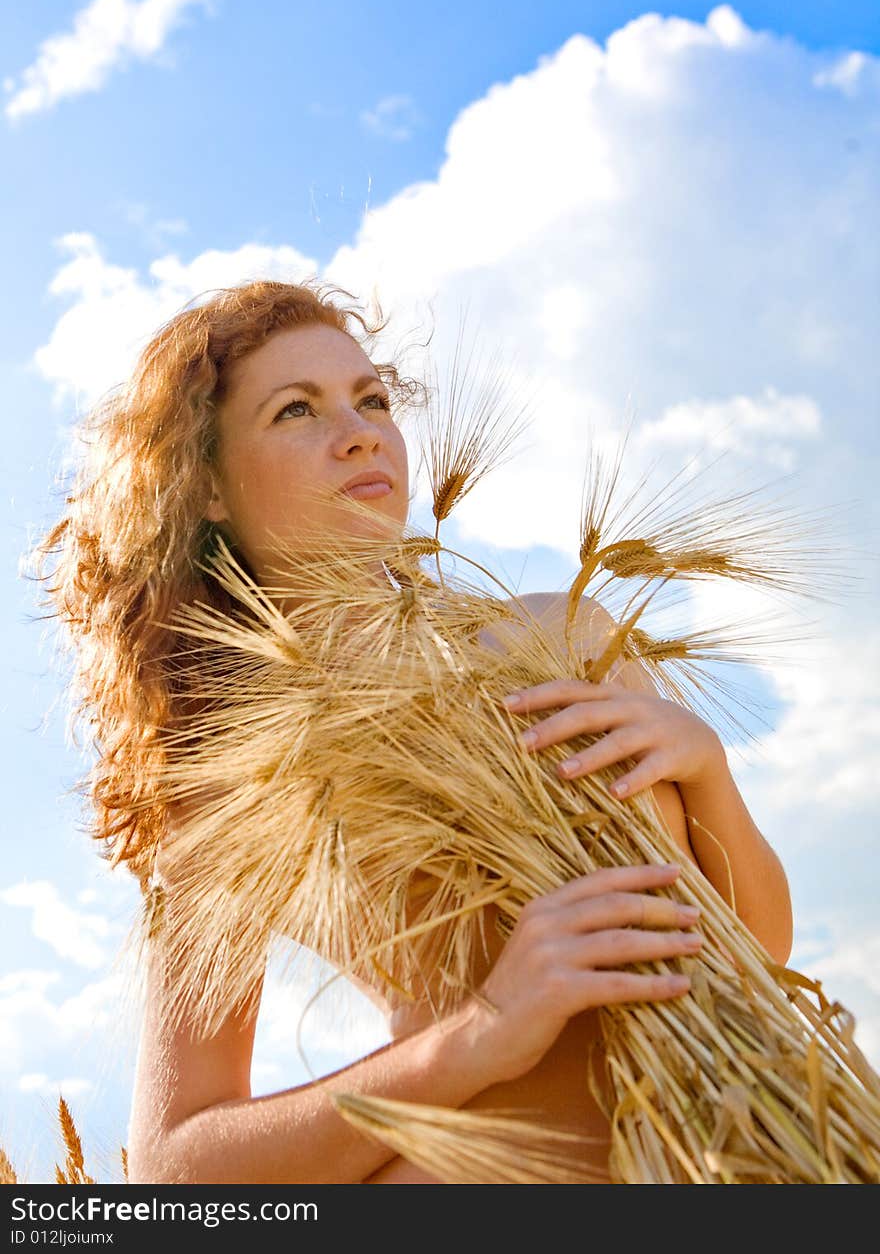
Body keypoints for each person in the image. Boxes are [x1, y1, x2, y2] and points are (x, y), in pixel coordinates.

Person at [31, 278, 793, 1185]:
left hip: (749, 1146)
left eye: (373, 399)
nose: (358, 432)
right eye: (295, 411)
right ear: (208, 490)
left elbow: (756, 953)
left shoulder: (568, 638)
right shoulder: (232, 791)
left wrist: (707, 772)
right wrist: (483, 1034)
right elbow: (175, 1165)